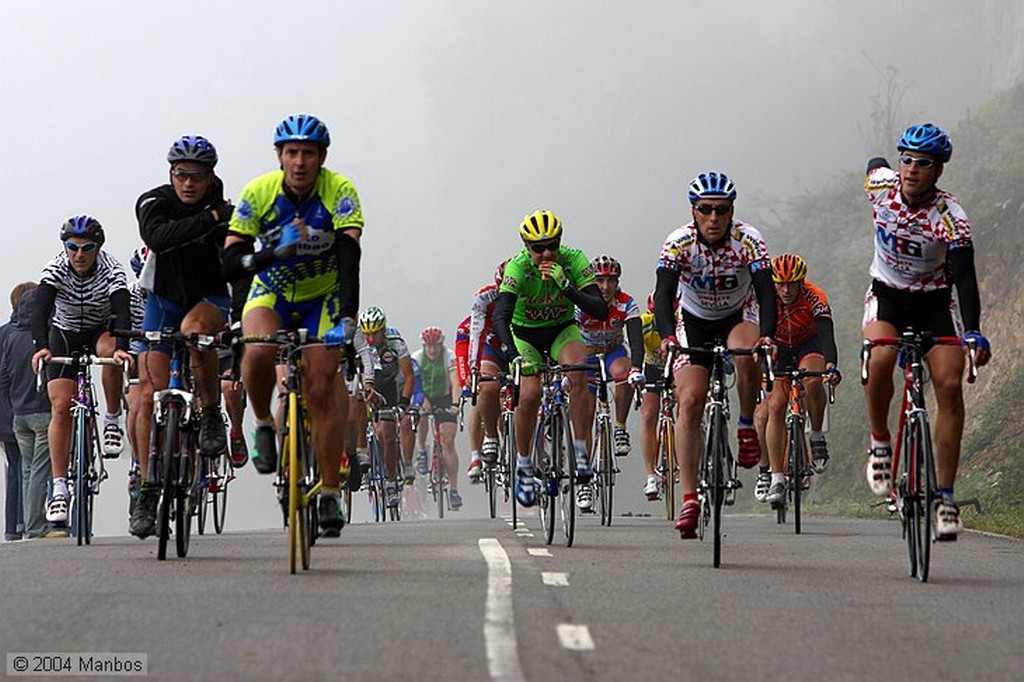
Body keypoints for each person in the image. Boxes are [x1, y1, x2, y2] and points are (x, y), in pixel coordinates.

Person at [222, 114, 362, 534]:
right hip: (273, 290)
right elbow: (232, 264)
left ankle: (331, 494)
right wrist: (274, 254)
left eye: (308, 154)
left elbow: (349, 259)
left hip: (325, 294)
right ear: (280, 157)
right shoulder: (258, 193)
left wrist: (349, 320)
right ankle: (264, 422)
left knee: (321, 386)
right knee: (258, 348)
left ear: (322, 158)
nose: (299, 162)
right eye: (292, 153)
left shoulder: (340, 191)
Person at [861, 123, 990, 540]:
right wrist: (879, 165)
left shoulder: (951, 218)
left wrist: (973, 331)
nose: (912, 170)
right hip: (887, 295)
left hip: (935, 302)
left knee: (950, 386)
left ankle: (946, 498)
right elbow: (873, 167)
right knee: (879, 356)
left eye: (924, 164)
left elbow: (965, 279)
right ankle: (880, 442)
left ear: (938, 172)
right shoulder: (881, 187)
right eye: (907, 160)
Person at [654, 172, 776, 538]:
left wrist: (767, 335)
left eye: (721, 210)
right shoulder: (678, 243)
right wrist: (665, 337)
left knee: (746, 354)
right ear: (693, 212)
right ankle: (690, 496)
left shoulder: (748, 240)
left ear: (731, 211)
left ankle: (743, 422)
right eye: (705, 210)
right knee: (689, 401)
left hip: (739, 314)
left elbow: (767, 293)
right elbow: (663, 295)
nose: (713, 218)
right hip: (693, 320)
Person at [129, 135, 232, 539]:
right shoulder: (152, 201)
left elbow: (238, 257)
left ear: (211, 177)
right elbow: (158, 238)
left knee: (196, 334)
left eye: (198, 176)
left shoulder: (227, 204)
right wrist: (209, 219)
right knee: (146, 394)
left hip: (208, 296)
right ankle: (147, 487)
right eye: (181, 175)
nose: (188, 183)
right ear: (170, 174)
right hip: (164, 297)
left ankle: (209, 415)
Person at [492, 210, 609, 508]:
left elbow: (600, 310)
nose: (547, 253)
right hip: (525, 335)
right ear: (526, 247)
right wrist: (514, 356)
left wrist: (566, 287)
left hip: (562, 329)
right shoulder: (517, 268)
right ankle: (524, 465)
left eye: (552, 245)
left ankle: (581, 451)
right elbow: (501, 318)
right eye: (538, 248)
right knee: (529, 395)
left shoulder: (574, 260)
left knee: (580, 371)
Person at [31, 216, 133, 529]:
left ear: (98, 248)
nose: (79, 254)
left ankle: (112, 416)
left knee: (111, 354)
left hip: (99, 330)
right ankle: (59, 485)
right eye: (72, 247)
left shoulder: (112, 269)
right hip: (64, 333)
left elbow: (122, 308)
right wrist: (41, 346)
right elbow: (40, 310)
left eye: (87, 248)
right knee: (61, 407)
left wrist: (122, 346)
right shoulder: (55, 268)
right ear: (65, 248)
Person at [755, 254, 841, 505]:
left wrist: (831, 365)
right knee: (775, 406)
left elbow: (826, 334)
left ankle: (815, 436)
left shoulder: (815, 296)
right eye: (780, 283)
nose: (786, 289)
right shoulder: (766, 297)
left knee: (814, 382)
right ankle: (777, 478)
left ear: (801, 282)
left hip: (808, 344)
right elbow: (759, 330)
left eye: (792, 283)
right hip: (778, 347)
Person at [574, 254, 645, 510]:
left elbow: (636, 338)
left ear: (618, 282)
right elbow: (567, 335)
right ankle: (583, 483)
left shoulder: (626, 303)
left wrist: (637, 367)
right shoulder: (582, 304)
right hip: (587, 355)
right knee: (586, 415)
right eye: (600, 280)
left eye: (611, 281)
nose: (605, 287)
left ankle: (620, 426)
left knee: (624, 373)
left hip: (614, 350)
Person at [356, 306, 416, 510]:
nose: (371, 338)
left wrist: (403, 403)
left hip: (389, 387)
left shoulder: (395, 342)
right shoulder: (358, 342)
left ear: (384, 329)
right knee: (355, 406)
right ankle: (360, 449)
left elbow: (409, 376)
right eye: (367, 333)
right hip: (366, 384)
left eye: (375, 332)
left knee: (387, 434)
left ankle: (391, 481)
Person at [459, 261, 509, 483]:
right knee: (486, 388)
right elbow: (475, 336)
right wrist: (471, 371)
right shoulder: (484, 299)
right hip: (492, 347)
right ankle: (487, 439)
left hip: (519, 344)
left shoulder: (531, 296)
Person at [1, 282, 40, 539]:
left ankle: (13, 528)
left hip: (5, 414)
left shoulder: (3, 334)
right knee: (35, 467)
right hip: (31, 408)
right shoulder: (38, 333)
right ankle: (32, 522)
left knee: (14, 469)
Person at [410, 326, 463, 511]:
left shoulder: (449, 356)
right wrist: (422, 401)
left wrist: (455, 405)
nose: (432, 350)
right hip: (424, 395)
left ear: (441, 345)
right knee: (421, 416)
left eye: (436, 346)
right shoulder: (416, 358)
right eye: (429, 347)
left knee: (448, 441)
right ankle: (422, 450)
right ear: (424, 346)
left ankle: (454, 490)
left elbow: (456, 383)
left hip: (445, 397)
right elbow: (414, 384)